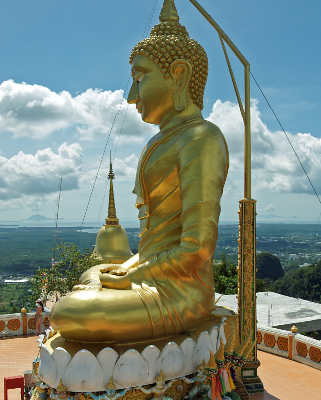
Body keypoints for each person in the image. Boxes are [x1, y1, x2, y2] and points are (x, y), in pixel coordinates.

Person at [49, 0, 228, 343]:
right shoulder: (155, 144)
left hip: (183, 289)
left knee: (69, 313)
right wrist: (127, 269)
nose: (132, 96)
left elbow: (196, 248)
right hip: (150, 272)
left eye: (139, 78)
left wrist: (134, 275)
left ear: (179, 75)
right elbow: (148, 248)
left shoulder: (202, 137)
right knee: (95, 271)